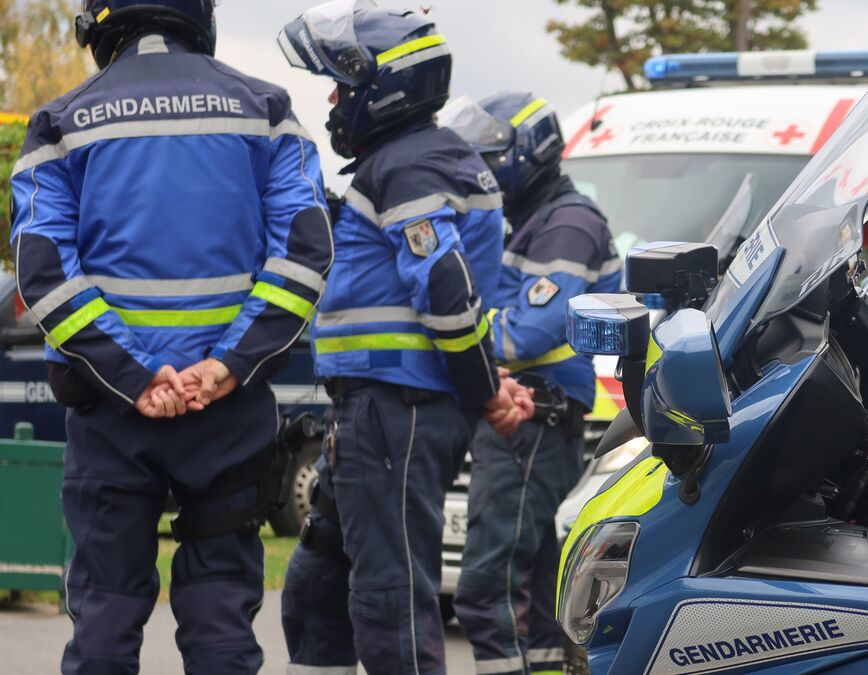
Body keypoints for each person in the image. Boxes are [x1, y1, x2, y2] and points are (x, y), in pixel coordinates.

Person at [9, 1, 334, 672]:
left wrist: (133, 375)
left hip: (108, 412)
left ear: (103, 23)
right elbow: (304, 255)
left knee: (104, 611)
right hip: (228, 411)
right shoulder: (267, 111)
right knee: (219, 618)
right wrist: (227, 364)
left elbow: (42, 276)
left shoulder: (59, 123)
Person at [275, 3, 531, 674]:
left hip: (396, 412)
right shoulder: (411, 160)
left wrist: (483, 393)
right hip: (378, 409)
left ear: (382, 88)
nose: (334, 98)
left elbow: (446, 288)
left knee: (390, 595)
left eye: (342, 84)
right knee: (315, 587)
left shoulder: (411, 165)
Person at [443, 92, 622, 675]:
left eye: (489, 156)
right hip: (531, 422)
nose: (479, 169)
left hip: (530, 422)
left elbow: (527, 334)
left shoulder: (566, 224)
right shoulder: (531, 224)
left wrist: (447, 335)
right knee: (543, 603)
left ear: (526, 155)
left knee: (484, 590)